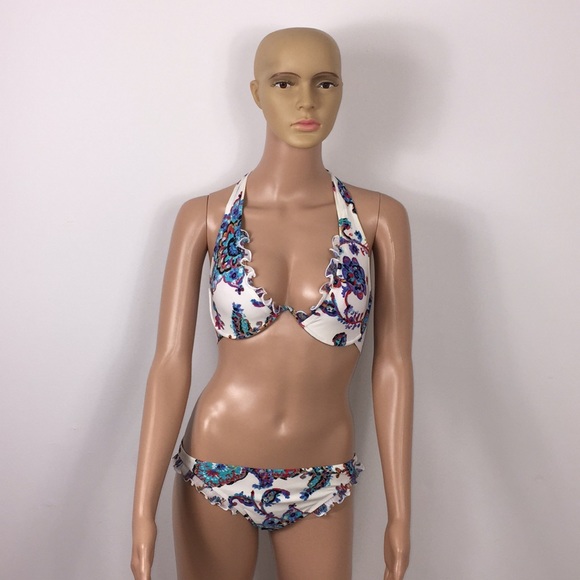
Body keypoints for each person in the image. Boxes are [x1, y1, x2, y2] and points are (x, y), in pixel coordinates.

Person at [131, 27, 413, 580]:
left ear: (341, 91)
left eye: (324, 83)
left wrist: (401, 511)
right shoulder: (204, 216)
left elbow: (394, 365)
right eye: (285, 83)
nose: (306, 101)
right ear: (257, 93)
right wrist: (142, 506)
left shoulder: (380, 218)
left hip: (323, 476)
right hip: (216, 465)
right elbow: (169, 363)